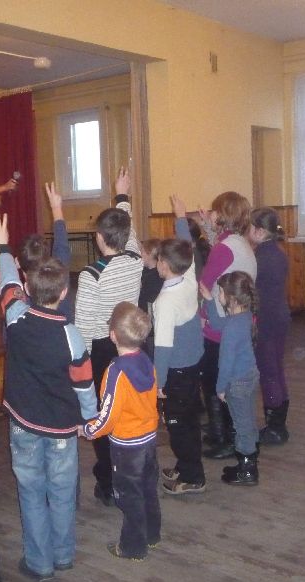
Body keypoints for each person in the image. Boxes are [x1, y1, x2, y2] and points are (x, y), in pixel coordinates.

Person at [0, 212, 97, 581]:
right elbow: (84, 386)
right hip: (63, 429)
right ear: (65, 293)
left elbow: (6, 282)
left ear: (28, 287)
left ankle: (39, 562)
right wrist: (89, 420)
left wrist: (3, 246)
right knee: (62, 492)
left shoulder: (16, 317)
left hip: (23, 423)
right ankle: (63, 555)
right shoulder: (72, 335)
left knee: (31, 492)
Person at [75, 167, 143, 506]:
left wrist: (82, 371)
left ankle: (109, 481)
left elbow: (84, 327)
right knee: (127, 411)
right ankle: (132, 470)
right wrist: (122, 195)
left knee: (104, 415)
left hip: (103, 350)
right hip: (132, 344)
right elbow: (128, 229)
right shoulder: (136, 258)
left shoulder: (91, 275)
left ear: (99, 238)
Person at [83, 301, 160, 560]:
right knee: (148, 488)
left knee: (129, 496)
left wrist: (89, 429)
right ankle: (152, 534)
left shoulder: (115, 371)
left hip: (127, 446)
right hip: (149, 440)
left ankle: (132, 547)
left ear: (113, 335)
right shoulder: (147, 361)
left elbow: (108, 416)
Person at [196, 191, 256, 460]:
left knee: (213, 382)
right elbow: (219, 251)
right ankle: (225, 432)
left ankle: (223, 437)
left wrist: (200, 312)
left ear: (222, 214)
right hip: (237, 320)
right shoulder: (239, 243)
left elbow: (205, 284)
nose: (210, 213)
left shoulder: (225, 248)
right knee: (224, 381)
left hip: (219, 324)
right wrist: (208, 228)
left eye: (214, 210)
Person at [153, 197, 205, 494]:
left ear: (164, 265)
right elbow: (187, 245)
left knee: (178, 426)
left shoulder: (165, 302)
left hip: (177, 371)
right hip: (193, 363)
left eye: (159, 259)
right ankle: (187, 465)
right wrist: (180, 217)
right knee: (189, 419)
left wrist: (159, 382)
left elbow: (162, 346)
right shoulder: (188, 276)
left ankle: (193, 476)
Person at [199, 271, 261, 485]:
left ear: (232, 298)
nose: (219, 296)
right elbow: (217, 324)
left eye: (220, 293)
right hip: (249, 376)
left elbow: (225, 362)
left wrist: (220, 388)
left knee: (241, 425)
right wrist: (209, 300)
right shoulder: (244, 316)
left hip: (237, 382)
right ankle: (250, 461)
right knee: (248, 421)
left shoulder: (234, 327)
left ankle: (247, 471)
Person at [249, 207, 292, 445]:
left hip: (267, 319)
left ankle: (275, 427)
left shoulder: (262, 257)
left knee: (268, 372)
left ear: (260, 231)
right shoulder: (276, 251)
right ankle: (278, 423)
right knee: (275, 368)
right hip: (277, 316)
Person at [14, 182, 73, 320]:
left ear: (17, 262)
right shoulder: (60, 272)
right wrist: (56, 208)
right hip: (64, 330)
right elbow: (62, 244)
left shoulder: (18, 303)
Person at [137, 238, 163, 359]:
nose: (140, 254)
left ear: (149, 254)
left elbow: (148, 305)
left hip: (151, 328)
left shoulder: (154, 278)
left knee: (151, 354)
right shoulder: (147, 271)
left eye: (142, 251)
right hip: (147, 322)